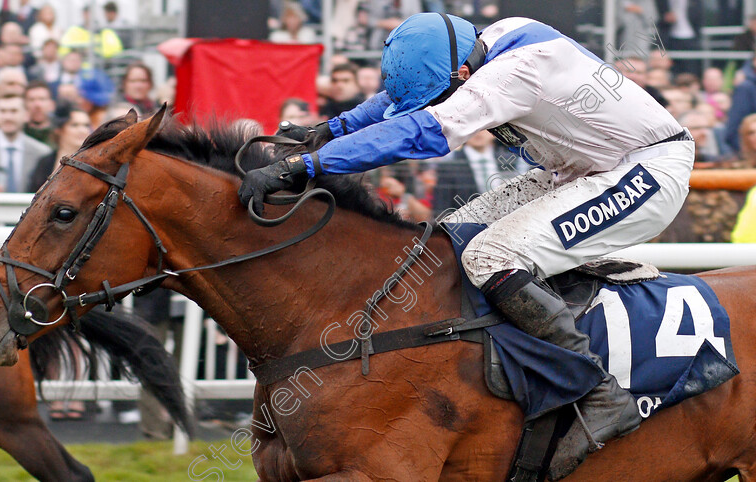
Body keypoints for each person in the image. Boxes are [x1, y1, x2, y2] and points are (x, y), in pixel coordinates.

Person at [240, 14, 694, 477]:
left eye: (446, 94)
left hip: (646, 171)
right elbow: (401, 99)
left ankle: (599, 391)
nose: (441, 100)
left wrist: (309, 165)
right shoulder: (475, 49)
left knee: (488, 255)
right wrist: (331, 130)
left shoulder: (516, 69)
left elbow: (423, 131)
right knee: (444, 242)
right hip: (582, 170)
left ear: (463, 76)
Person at [27, 102, 91, 192]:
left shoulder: (94, 162)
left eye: (86, 125)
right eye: (74, 125)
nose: (82, 130)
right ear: (59, 129)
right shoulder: (45, 162)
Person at [23, 81, 56, 147]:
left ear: (52, 104)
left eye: (42, 99)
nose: (37, 105)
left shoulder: (59, 134)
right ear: (24, 104)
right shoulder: (18, 133)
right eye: (31, 100)